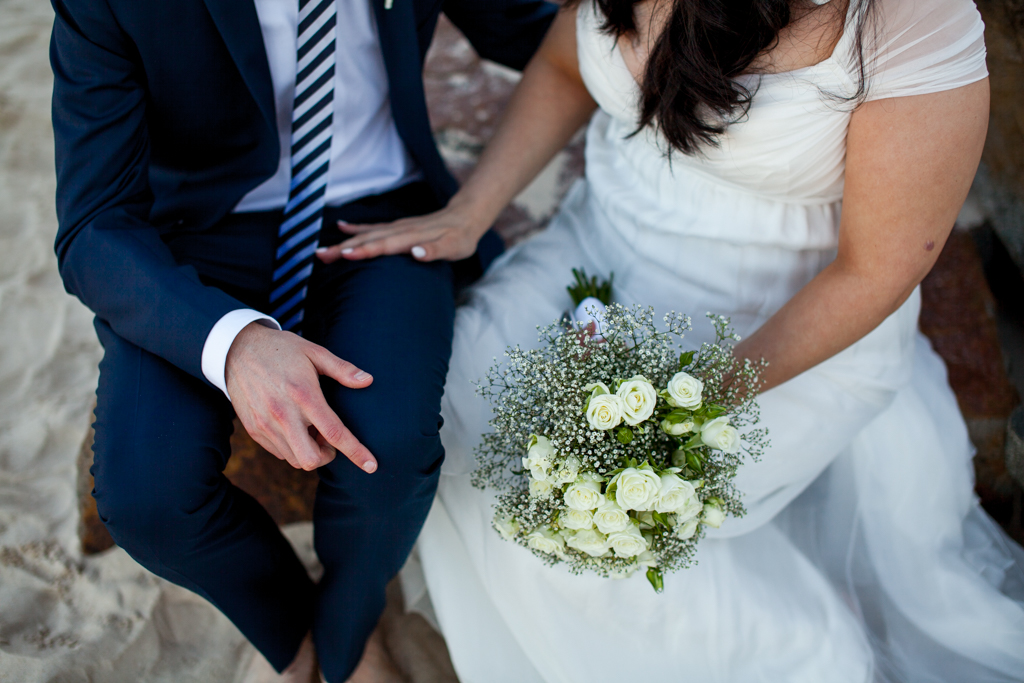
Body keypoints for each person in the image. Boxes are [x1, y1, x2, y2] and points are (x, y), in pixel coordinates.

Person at [319, 0, 1024, 679]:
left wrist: (690, 403)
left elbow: (875, 272)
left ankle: (798, 662)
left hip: (779, 324)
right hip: (602, 245)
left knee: (606, 525)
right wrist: (470, 211)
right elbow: (564, 67)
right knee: (464, 419)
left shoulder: (910, 20)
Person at [48, 0, 554, 680]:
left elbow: (533, 32)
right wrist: (235, 344)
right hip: (196, 233)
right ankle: (295, 639)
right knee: (147, 497)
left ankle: (349, 638)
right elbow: (93, 226)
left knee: (389, 452)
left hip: (382, 215)